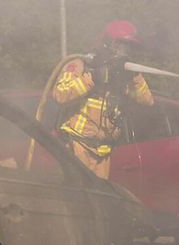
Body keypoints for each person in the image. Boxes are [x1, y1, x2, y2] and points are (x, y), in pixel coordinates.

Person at [54, 20, 155, 178]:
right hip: (77, 147)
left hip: (103, 153)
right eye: (123, 46)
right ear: (108, 43)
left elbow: (147, 100)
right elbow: (60, 94)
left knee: (98, 194)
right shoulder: (82, 64)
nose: (126, 52)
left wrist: (134, 76)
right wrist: (93, 78)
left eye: (130, 48)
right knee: (77, 192)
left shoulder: (125, 75)